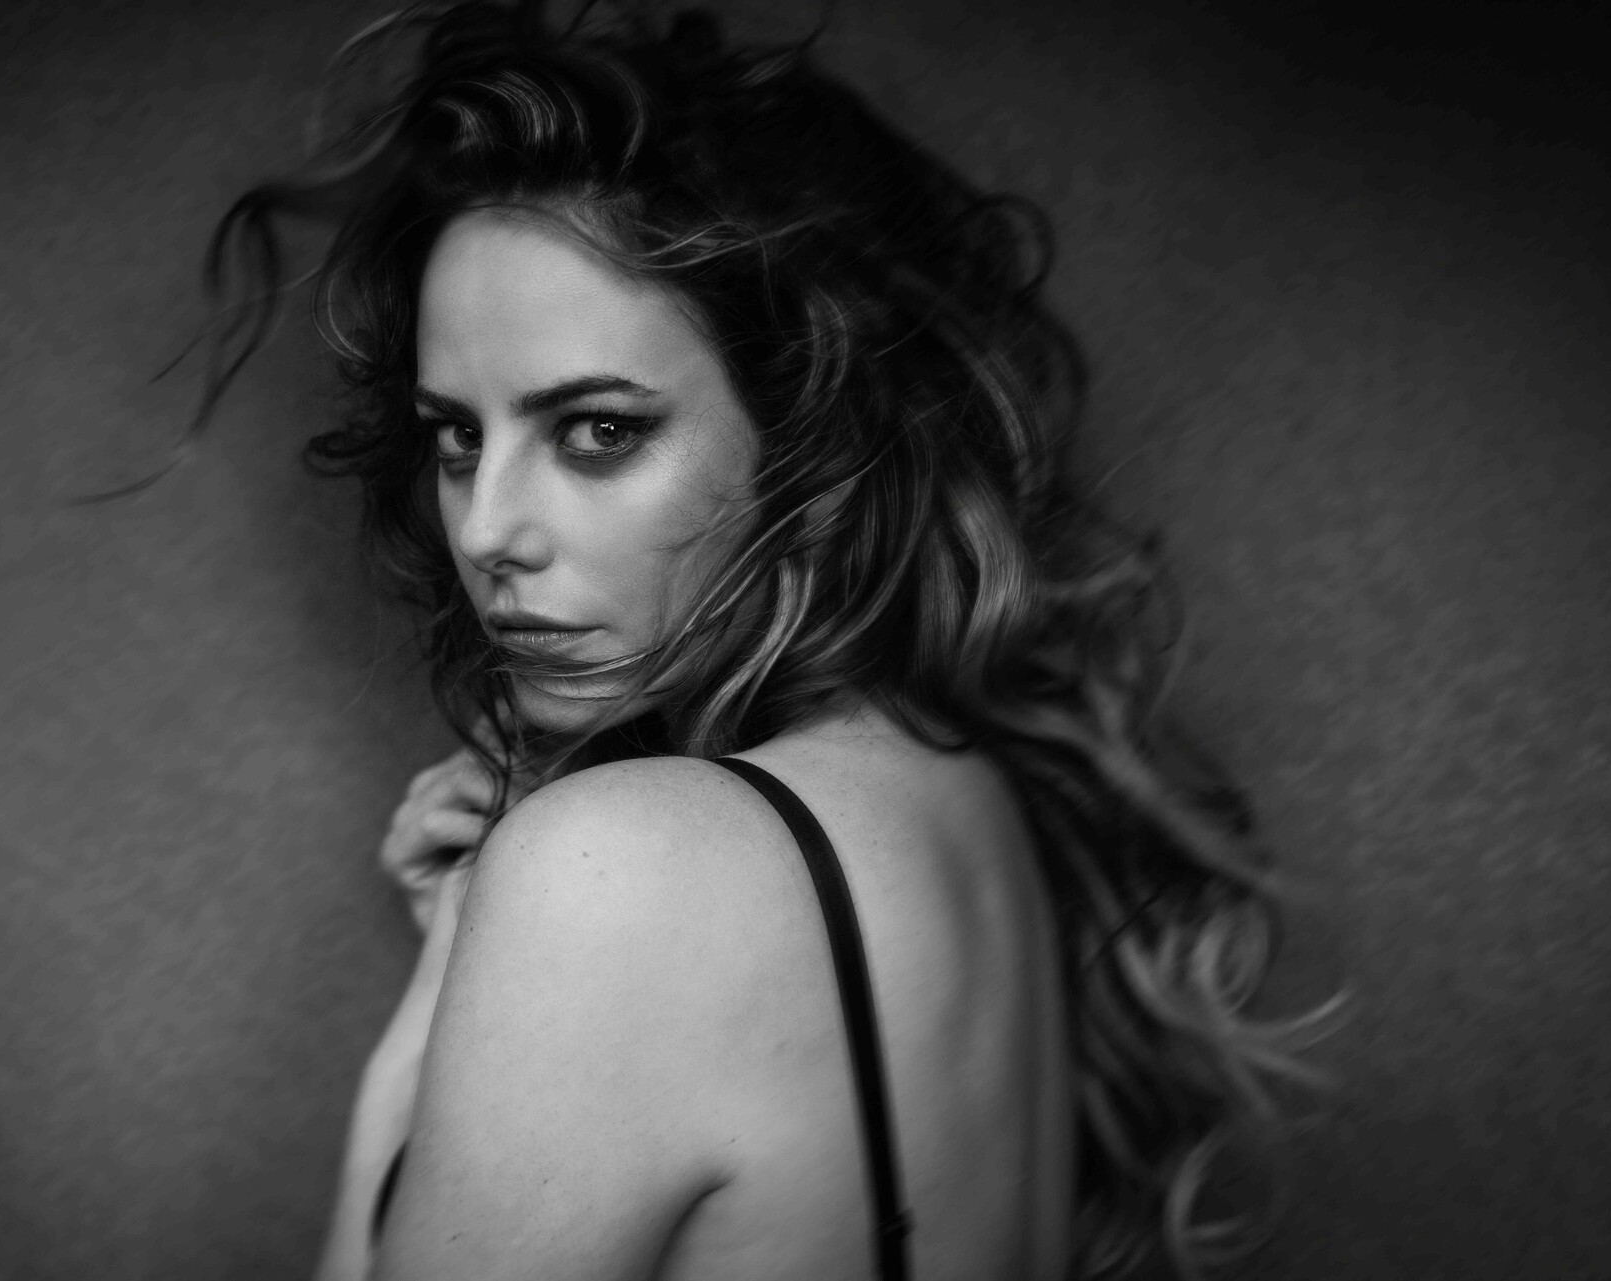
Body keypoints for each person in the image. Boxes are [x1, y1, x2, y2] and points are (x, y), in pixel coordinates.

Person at [195, 4, 1335, 1278]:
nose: (488, 529)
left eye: (598, 431)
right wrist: (465, 953)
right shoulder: (974, 797)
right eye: (460, 436)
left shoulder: (616, 874)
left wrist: (422, 1045)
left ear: (815, 442)